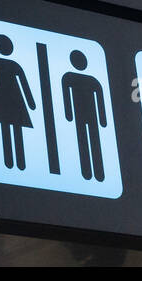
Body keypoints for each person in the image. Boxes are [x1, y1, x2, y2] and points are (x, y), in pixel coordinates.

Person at [0, 34, 36, 170]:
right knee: (6, 128)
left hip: (15, 100)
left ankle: (20, 162)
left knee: (15, 129)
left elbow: (24, 84)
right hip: (2, 99)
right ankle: (9, 162)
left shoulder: (13, 65)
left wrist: (30, 102)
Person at [61, 49, 107, 182]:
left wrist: (102, 119)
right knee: (83, 141)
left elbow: (100, 100)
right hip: (80, 115)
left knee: (93, 141)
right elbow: (66, 97)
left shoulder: (92, 81)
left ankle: (98, 172)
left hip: (90, 116)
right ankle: (87, 171)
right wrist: (68, 113)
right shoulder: (68, 77)